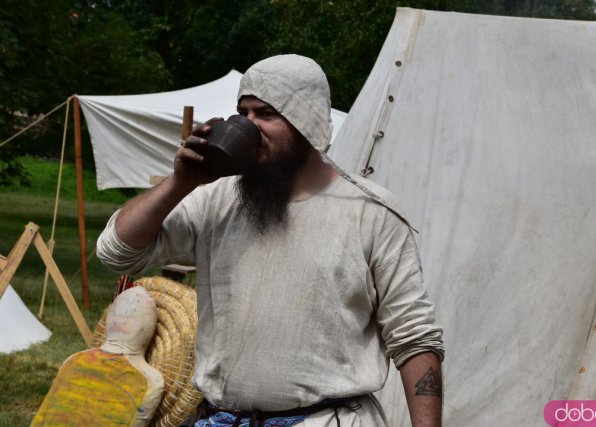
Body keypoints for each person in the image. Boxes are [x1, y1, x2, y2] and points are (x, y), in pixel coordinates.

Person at [97, 54, 444, 427]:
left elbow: (414, 338)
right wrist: (181, 182)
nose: (248, 127)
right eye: (242, 113)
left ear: (306, 120)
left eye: (265, 113)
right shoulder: (217, 196)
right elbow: (117, 253)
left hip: (325, 421)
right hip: (222, 419)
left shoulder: (371, 212)